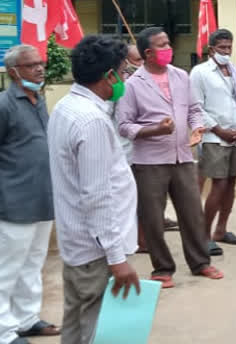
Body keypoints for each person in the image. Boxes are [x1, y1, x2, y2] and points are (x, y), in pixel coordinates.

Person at [48, 36, 140, 344]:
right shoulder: (91, 122)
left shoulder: (65, 108)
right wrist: (117, 258)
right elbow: (98, 197)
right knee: (99, 332)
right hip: (96, 251)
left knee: (75, 325)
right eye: (124, 71)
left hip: (77, 244)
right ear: (109, 76)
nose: (126, 78)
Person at [117, 27, 223, 288]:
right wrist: (155, 130)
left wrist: (197, 127)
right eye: (162, 45)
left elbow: (195, 109)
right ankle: (162, 268)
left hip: (183, 156)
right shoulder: (131, 86)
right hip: (149, 161)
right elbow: (124, 126)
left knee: (192, 213)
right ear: (149, 53)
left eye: (168, 43)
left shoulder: (180, 76)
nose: (169, 49)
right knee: (153, 217)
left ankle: (200, 262)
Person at [0, 45, 60, 344]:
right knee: (6, 268)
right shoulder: (4, 105)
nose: (39, 69)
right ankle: (3, 331)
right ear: (13, 72)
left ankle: (26, 320)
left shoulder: (38, 101)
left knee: (33, 264)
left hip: (43, 197)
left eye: (40, 63)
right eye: (31, 65)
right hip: (14, 201)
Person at [190, 29, 236, 255]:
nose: (227, 51)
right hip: (215, 136)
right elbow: (196, 106)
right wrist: (219, 130)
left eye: (229, 47)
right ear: (211, 49)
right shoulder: (200, 72)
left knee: (232, 183)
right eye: (222, 48)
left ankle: (221, 230)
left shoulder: (235, 72)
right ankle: (203, 235)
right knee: (219, 184)